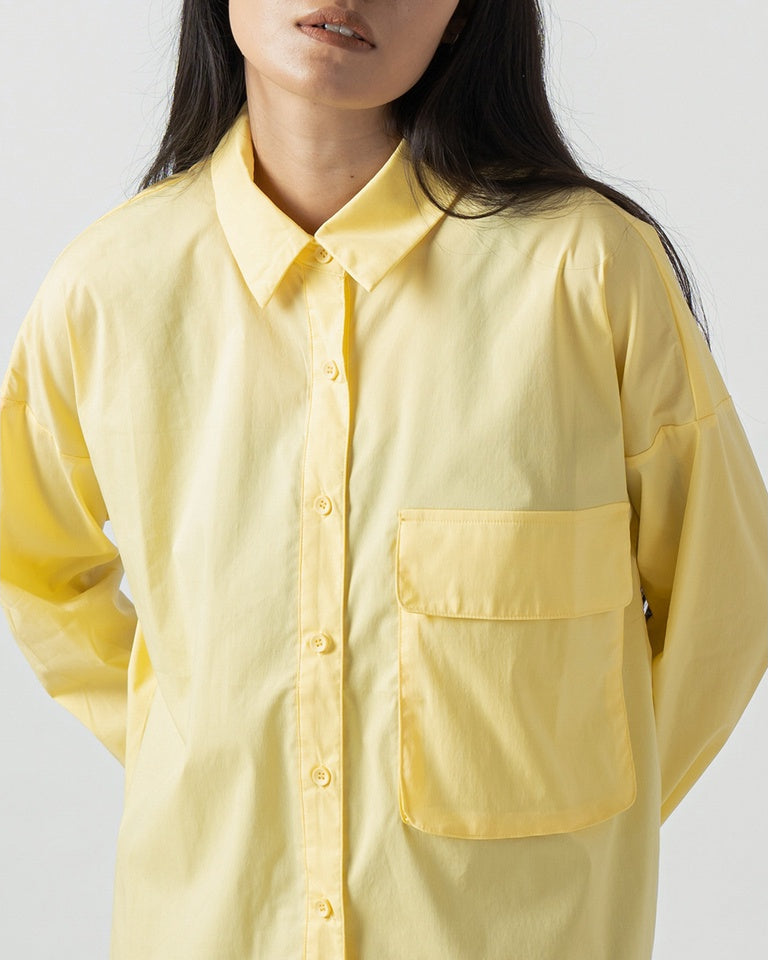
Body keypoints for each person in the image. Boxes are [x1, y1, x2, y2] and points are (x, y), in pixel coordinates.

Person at [1, 2, 765, 958]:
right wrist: (195, 750)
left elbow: (726, 595)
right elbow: (35, 566)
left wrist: (578, 807)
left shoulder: (589, 274)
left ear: (462, 17)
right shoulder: (106, 293)